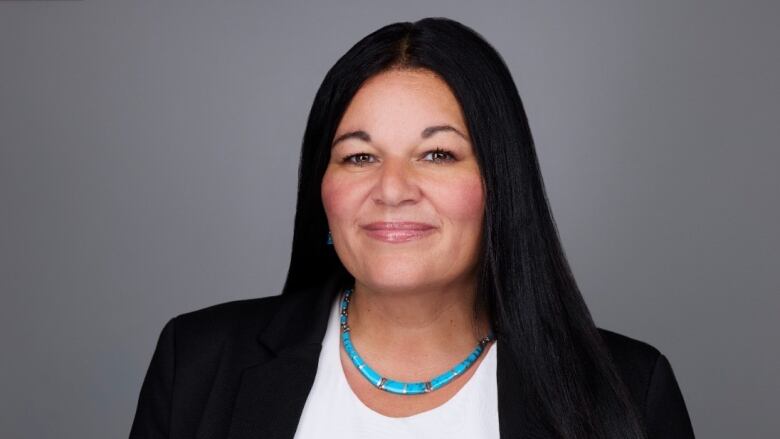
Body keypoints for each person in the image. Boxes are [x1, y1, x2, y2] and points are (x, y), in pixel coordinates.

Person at [129, 17, 695, 439]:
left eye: (437, 155)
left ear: (500, 184)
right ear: (321, 190)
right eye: (358, 157)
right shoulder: (198, 363)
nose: (392, 188)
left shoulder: (628, 391)